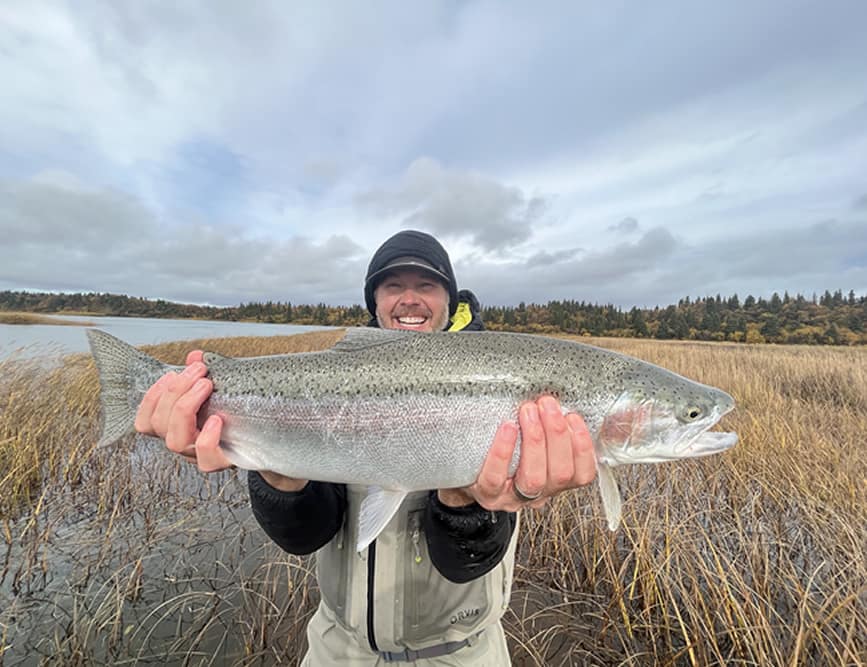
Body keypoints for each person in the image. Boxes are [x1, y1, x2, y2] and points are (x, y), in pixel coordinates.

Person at [134, 230, 597, 665]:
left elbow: (464, 564)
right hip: (338, 649)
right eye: (393, 285)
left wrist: (467, 500)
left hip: (464, 653)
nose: (410, 298)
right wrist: (278, 476)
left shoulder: (502, 385)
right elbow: (304, 537)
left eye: (427, 285)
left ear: (450, 300)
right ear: (374, 302)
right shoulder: (340, 380)